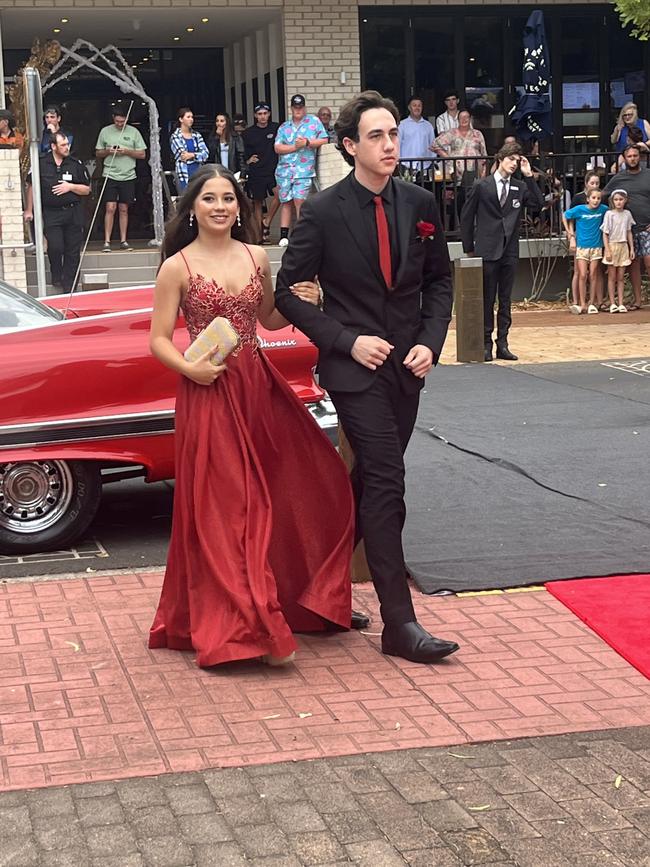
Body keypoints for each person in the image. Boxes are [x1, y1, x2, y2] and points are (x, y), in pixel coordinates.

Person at [275, 90, 460, 665]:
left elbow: (439, 283)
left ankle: (310, 593)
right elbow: (287, 292)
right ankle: (399, 624)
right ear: (350, 145)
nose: (389, 145)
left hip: (408, 368)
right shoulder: (324, 211)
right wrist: (345, 340)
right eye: (376, 136)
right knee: (386, 479)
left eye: (393, 135)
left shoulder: (421, 202)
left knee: (366, 488)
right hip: (352, 370)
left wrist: (430, 343)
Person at [148, 164, 357, 668]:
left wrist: (307, 299)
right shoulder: (176, 266)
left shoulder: (256, 256)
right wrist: (191, 370)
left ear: (240, 206)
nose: (220, 206)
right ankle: (246, 625)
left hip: (257, 387)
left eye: (228, 198)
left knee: (297, 486)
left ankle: (279, 602)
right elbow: (157, 340)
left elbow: (267, 319)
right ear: (192, 207)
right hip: (209, 389)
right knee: (231, 505)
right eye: (209, 199)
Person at [460, 142, 545, 360]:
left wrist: (528, 176)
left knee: (505, 300)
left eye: (517, 160)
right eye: (511, 159)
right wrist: (469, 248)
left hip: (509, 250)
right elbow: (467, 217)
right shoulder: (482, 185)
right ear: (500, 159)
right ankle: (486, 343)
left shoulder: (519, 186)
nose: (514, 164)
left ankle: (503, 344)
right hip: (487, 249)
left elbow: (537, 203)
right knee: (487, 298)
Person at [23, 132, 90, 292]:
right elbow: (31, 186)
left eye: (67, 144)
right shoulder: (41, 163)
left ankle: (70, 287)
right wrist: (29, 210)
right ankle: (57, 274)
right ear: (53, 146)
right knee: (56, 247)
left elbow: (87, 189)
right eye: (63, 145)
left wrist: (71, 187)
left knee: (72, 251)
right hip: (52, 213)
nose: (67, 148)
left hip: (73, 212)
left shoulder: (75, 164)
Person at [274, 94, 328, 247]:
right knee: (286, 201)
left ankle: (301, 234)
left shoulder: (314, 122)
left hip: (304, 170)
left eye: (301, 107)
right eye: (295, 107)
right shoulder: (284, 127)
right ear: (291, 108)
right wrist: (295, 147)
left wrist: (307, 143)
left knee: (300, 200)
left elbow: (324, 139)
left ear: (304, 108)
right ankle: (284, 236)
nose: (298, 110)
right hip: (285, 171)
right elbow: (277, 147)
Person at [602, 144, 650, 310]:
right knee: (634, 265)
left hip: (647, 228)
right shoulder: (619, 178)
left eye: (635, 155)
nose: (632, 159)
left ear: (640, 157)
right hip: (627, 230)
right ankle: (637, 301)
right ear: (624, 158)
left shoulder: (648, 175)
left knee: (649, 262)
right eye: (629, 156)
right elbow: (603, 195)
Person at [95, 108, 146, 252]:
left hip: (128, 174)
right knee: (110, 207)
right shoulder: (105, 131)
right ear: (113, 119)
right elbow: (98, 152)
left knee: (124, 208)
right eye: (117, 121)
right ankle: (106, 241)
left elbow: (142, 154)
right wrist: (108, 151)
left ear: (127, 119)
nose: (119, 124)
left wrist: (127, 151)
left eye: (122, 122)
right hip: (110, 173)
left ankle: (123, 240)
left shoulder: (134, 132)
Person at [432, 110, 488, 214]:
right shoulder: (452, 133)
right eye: (461, 117)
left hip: (475, 172)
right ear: (458, 120)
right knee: (459, 202)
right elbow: (435, 144)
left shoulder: (477, 134)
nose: (464, 119)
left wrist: (484, 173)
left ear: (470, 119)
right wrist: (447, 157)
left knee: (475, 202)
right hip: (457, 173)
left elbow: (484, 154)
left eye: (466, 117)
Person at [562, 189, 607, 315]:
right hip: (582, 247)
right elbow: (565, 215)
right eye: (593, 198)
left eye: (598, 198)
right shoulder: (579, 209)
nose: (596, 200)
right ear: (588, 199)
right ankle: (582, 303)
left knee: (593, 274)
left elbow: (613, 214)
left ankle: (591, 303)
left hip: (596, 246)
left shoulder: (603, 209)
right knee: (582, 274)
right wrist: (570, 234)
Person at [242, 102, 280, 243]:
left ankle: (267, 221)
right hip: (256, 171)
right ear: (255, 116)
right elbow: (242, 152)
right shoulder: (248, 133)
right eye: (260, 114)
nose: (263, 117)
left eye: (265, 113)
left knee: (280, 194)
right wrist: (247, 161)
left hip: (274, 170)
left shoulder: (276, 128)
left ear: (269, 114)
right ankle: (259, 237)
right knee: (257, 203)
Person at [566, 171, 601, 313]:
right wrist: (571, 236)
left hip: (595, 242)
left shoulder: (600, 199)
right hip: (580, 240)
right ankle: (577, 301)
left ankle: (596, 302)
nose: (594, 185)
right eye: (592, 183)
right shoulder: (578, 198)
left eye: (597, 183)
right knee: (579, 272)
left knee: (595, 273)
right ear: (586, 183)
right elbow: (569, 218)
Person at [602, 189, 635, 314]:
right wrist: (608, 250)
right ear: (612, 201)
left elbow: (628, 232)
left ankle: (621, 303)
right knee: (612, 276)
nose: (618, 202)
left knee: (621, 277)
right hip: (612, 245)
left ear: (625, 200)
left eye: (621, 199)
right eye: (616, 199)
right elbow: (605, 233)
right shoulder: (609, 214)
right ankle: (612, 303)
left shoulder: (627, 214)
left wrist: (631, 248)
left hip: (623, 246)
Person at [169, 107, 209, 192]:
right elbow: (183, 156)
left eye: (192, 117)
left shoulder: (197, 135)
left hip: (198, 173)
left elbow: (205, 154)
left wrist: (192, 155)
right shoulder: (175, 136)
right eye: (188, 117)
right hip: (183, 173)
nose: (191, 119)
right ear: (181, 119)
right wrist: (198, 156)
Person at [398, 96, 435, 176]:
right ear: (409, 107)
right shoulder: (402, 125)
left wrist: (433, 162)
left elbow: (433, 145)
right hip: (406, 165)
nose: (417, 108)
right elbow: (397, 145)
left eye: (419, 105)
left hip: (425, 165)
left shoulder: (428, 126)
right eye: (414, 105)